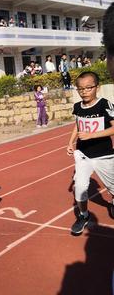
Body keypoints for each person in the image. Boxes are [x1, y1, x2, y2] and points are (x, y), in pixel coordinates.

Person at [67, 71, 114, 235]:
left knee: (112, 187)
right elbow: (77, 124)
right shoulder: (77, 107)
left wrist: (92, 134)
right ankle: (83, 216)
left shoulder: (104, 104)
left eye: (88, 88)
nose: (84, 91)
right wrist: (71, 142)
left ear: (97, 87)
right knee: (79, 187)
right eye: (80, 89)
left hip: (104, 154)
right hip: (83, 154)